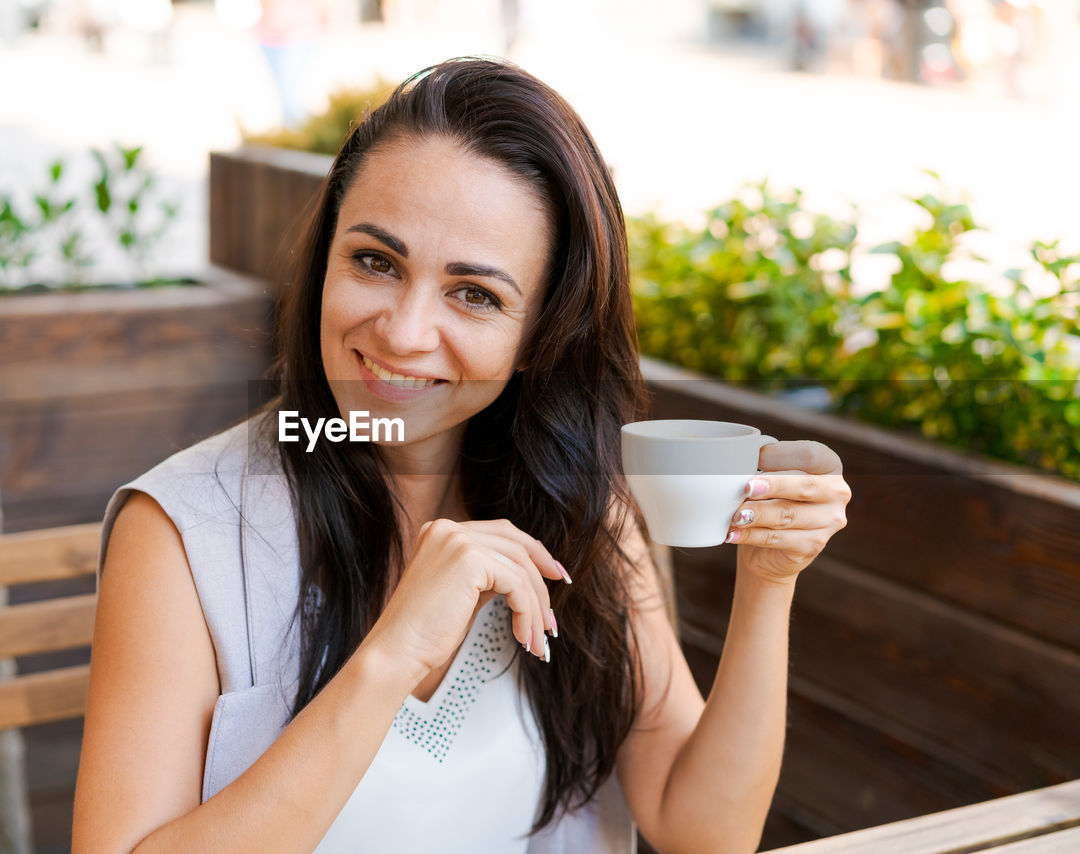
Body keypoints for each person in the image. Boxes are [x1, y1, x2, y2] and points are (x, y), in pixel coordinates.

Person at [72, 57, 852, 853]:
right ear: (324, 263)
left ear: (539, 336)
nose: (404, 333)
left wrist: (768, 581)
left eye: (474, 294)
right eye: (376, 261)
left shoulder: (578, 510)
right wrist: (392, 656)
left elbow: (704, 833)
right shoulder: (184, 532)